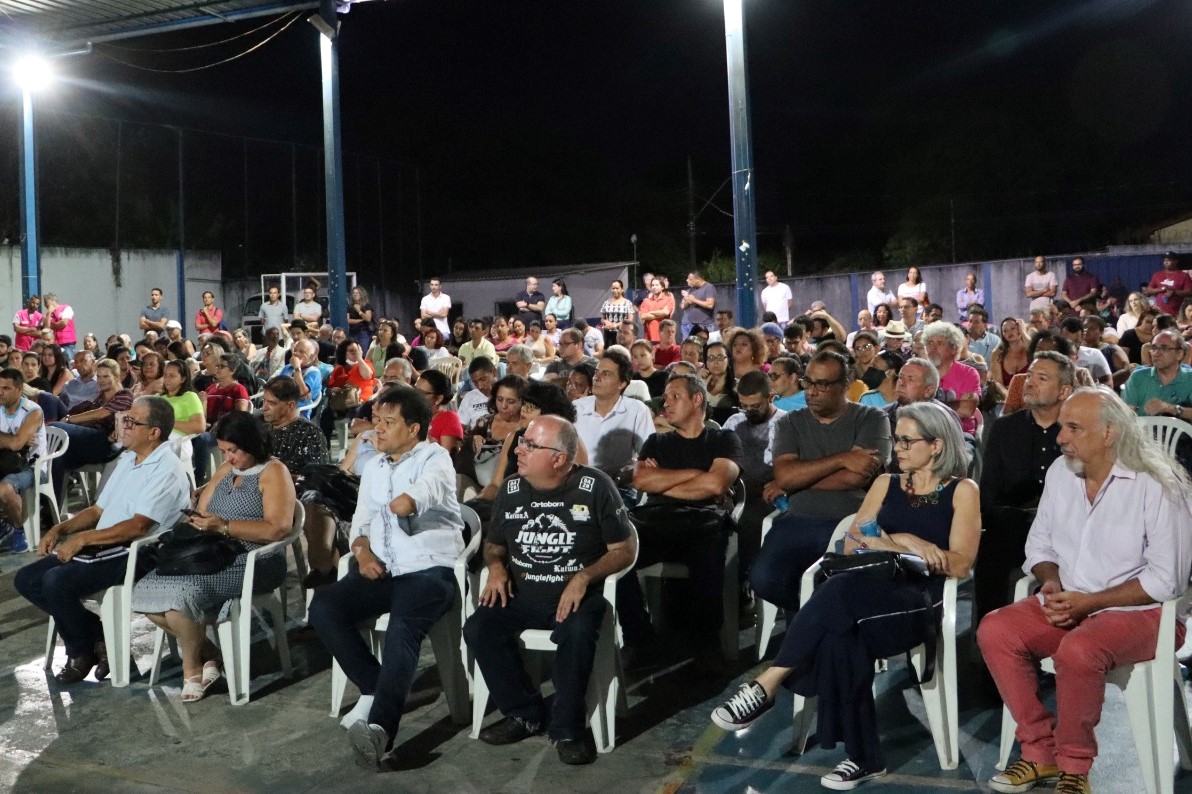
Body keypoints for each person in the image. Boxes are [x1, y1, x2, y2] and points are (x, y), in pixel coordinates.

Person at [712, 401, 979, 791]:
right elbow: (855, 541)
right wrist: (906, 541)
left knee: (838, 597)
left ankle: (769, 683)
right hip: (868, 590)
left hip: (919, 602)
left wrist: (886, 541)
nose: (897, 448)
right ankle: (865, 759)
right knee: (842, 630)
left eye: (906, 441)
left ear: (936, 445)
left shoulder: (961, 491)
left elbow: (959, 565)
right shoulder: (886, 484)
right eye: (897, 440)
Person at [978, 388, 1192, 794]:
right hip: (1071, 600)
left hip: (1144, 614)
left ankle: (1074, 767)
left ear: (1109, 433)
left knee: (1078, 650)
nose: (1061, 437)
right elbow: (1038, 545)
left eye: (1074, 428)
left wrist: (1090, 604)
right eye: (1062, 426)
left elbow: (1167, 581)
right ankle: (1039, 753)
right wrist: (1053, 583)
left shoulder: (1159, 485)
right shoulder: (1062, 473)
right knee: (996, 630)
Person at [308, 387, 465, 770]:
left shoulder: (435, 457)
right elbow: (361, 523)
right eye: (376, 421)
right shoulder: (376, 466)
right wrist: (361, 552)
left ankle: (380, 729)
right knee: (325, 606)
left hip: (429, 569)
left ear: (414, 429)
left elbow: (422, 495)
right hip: (382, 569)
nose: (377, 430)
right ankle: (377, 687)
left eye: (388, 423)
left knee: (401, 630)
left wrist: (402, 503)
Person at [464, 415, 635, 765]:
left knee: (578, 631)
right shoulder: (511, 490)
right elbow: (494, 544)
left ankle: (568, 728)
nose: (519, 450)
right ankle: (524, 712)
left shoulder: (595, 487)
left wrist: (584, 577)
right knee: (479, 627)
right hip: (523, 593)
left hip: (577, 597)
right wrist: (496, 566)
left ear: (558, 458)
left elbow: (624, 549)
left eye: (530, 445)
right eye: (521, 442)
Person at [17, 396, 189, 684]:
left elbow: (138, 526)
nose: (124, 425)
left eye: (132, 422)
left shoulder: (166, 468)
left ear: (154, 432)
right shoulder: (128, 458)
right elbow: (98, 510)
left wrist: (84, 539)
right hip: (108, 545)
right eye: (126, 419)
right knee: (27, 579)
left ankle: (80, 652)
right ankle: (98, 636)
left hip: (140, 552)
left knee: (56, 581)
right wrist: (60, 529)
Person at [131, 411, 296, 702]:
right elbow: (203, 514)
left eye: (234, 450)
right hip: (212, 553)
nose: (229, 458)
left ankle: (191, 667)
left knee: (182, 595)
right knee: (144, 591)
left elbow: (277, 528)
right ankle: (211, 654)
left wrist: (225, 526)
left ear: (254, 445)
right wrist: (195, 521)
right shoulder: (226, 471)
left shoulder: (273, 472)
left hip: (255, 557)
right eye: (223, 451)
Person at [749, 350, 892, 613]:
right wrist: (842, 458)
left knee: (836, 583)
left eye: (823, 384)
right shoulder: (790, 422)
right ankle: (820, 622)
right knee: (763, 579)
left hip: (852, 521)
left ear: (844, 386)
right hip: (797, 519)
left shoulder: (872, 418)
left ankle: (813, 632)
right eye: (808, 382)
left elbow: (857, 477)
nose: (812, 391)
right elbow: (785, 476)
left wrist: (797, 480)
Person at [620, 373, 743, 669]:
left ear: (697, 399)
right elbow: (640, 480)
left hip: (702, 521)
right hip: (656, 519)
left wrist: (662, 480)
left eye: (675, 396)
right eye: (665, 397)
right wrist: (698, 476)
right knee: (616, 550)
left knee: (708, 551)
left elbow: (717, 485)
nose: (666, 403)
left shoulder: (723, 438)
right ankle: (640, 637)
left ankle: (706, 643)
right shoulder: (657, 441)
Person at [973, 351, 1073, 626]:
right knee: (991, 548)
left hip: (1065, 527)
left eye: (1042, 378)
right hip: (1013, 525)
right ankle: (988, 645)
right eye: (1029, 376)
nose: (1029, 382)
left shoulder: (1075, 431)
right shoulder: (1005, 428)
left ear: (1064, 390)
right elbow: (989, 490)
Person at [723, 370, 786, 614]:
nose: (748, 411)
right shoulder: (734, 422)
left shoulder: (786, 423)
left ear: (771, 397)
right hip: (736, 491)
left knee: (749, 520)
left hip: (771, 495)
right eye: (744, 405)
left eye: (755, 405)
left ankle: (745, 583)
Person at [50, 358, 134, 499]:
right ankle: (51, 511)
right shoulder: (100, 396)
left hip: (106, 443)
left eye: (106, 376)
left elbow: (103, 412)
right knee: (57, 458)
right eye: (99, 377)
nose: (101, 380)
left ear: (117, 376)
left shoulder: (124, 395)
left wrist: (70, 419)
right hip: (89, 442)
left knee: (54, 426)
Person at [573, 350, 654, 478]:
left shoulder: (637, 410)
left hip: (619, 485)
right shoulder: (576, 408)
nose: (596, 378)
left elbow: (648, 457)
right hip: (578, 481)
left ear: (622, 383)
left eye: (606, 374)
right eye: (596, 372)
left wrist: (625, 474)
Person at [0, 367, 46, 553]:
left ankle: (18, 530)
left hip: (33, 467)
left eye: (6, 388)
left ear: (19, 389)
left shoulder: (32, 411)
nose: (0, 392)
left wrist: (13, 441)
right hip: (6, 462)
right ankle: (4, 526)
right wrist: (10, 441)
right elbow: (15, 442)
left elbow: (17, 445)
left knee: (4, 489)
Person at [922, 322, 981, 436]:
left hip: (960, 433)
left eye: (940, 343)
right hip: (926, 434)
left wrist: (927, 407)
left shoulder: (968, 373)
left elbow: (966, 410)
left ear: (953, 349)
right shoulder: (920, 371)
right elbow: (911, 405)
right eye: (929, 343)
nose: (933, 347)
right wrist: (955, 404)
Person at [1121, 329, 1192, 420]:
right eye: (1153, 348)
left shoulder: (1189, 378)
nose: (1156, 353)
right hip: (1144, 432)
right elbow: (1127, 415)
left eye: (1164, 348)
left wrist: (1169, 408)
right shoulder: (1138, 377)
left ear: (1179, 354)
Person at [415, 369, 463, 458]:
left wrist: (431, 445)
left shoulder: (449, 419)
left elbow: (447, 459)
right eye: (415, 390)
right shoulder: (411, 413)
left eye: (421, 393)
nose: (415, 396)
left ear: (439, 399)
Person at [277, 339, 323, 419]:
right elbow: (276, 387)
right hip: (279, 407)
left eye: (301, 352)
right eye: (295, 350)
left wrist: (297, 368)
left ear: (311, 356)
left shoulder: (314, 372)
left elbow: (301, 392)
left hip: (299, 412)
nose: (296, 353)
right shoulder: (288, 368)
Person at [989, 317, 1031, 404]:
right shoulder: (997, 353)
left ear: (1020, 328)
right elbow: (998, 382)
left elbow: (1037, 351)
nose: (1009, 332)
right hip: (1006, 399)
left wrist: (1023, 332)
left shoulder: (1029, 349)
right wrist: (1010, 397)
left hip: (1031, 397)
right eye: (1005, 331)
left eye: (1013, 328)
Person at [1144, 251, 1192, 316]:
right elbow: (1148, 290)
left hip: (1177, 313)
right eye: (1164, 260)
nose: (1166, 262)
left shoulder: (1184, 275)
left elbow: (1189, 292)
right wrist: (1162, 289)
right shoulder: (1157, 274)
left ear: (1175, 261)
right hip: (1160, 313)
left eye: (1169, 260)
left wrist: (1174, 292)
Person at [459, 356, 498, 431]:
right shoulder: (469, 397)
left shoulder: (506, 394)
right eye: (475, 382)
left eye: (483, 380)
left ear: (494, 372)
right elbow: (460, 427)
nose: (480, 387)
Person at [599, 280, 635, 350]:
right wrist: (605, 322)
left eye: (617, 288)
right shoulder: (606, 303)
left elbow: (630, 320)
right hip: (608, 335)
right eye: (613, 288)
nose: (615, 290)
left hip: (622, 334)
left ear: (622, 289)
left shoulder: (627, 303)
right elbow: (602, 319)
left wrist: (615, 325)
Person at [680, 270, 717, 339]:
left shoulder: (708, 287)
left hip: (706, 325)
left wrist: (694, 300)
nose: (687, 280)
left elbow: (710, 305)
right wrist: (687, 298)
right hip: (692, 325)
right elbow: (683, 307)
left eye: (690, 279)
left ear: (697, 279)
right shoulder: (691, 289)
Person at [639, 276, 675, 342]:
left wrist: (650, 312)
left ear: (662, 287)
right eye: (653, 285)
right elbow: (643, 316)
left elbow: (665, 312)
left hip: (664, 337)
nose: (654, 287)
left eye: (657, 285)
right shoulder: (646, 301)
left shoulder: (668, 299)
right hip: (649, 338)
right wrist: (660, 313)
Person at [40, 293, 77, 357]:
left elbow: (63, 323)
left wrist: (51, 326)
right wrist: (49, 313)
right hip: (55, 344)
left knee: (68, 361)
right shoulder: (48, 314)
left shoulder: (66, 308)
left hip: (67, 342)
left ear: (52, 300)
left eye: (46, 302)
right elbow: (46, 329)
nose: (45, 305)